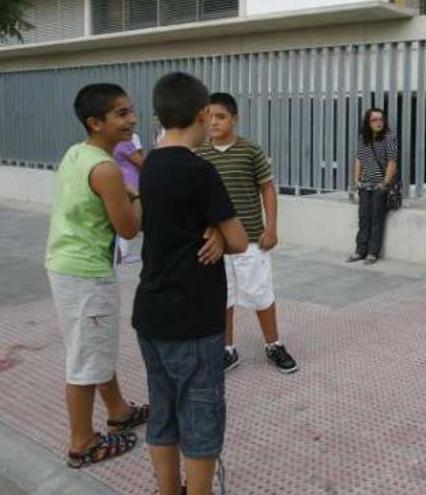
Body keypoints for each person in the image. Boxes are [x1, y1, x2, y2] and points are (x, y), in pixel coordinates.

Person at [134, 73, 248, 495]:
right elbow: (238, 239)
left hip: (151, 314)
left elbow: (171, 222)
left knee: (162, 412)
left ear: (160, 114)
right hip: (194, 319)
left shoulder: (150, 166)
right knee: (201, 417)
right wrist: (219, 233)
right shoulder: (200, 171)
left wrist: (211, 230)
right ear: (202, 114)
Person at [45, 83, 148, 469]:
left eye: (131, 111)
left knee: (94, 345)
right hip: (86, 273)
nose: (132, 120)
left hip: (65, 264)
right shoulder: (105, 169)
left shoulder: (79, 153)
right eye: (121, 114)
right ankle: (82, 443)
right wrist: (136, 196)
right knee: (85, 360)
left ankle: (119, 410)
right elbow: (128, 229)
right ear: (95, 122)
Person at [196, 92, 298, 374]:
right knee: (221, 298)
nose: (214, 123)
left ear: (234, 119)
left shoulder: (250, 150)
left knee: (260, 293)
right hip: (214, 244)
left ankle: (274, 344)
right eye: (209, 117)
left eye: (221, 117)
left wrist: (272, 228)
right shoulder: (199, 154)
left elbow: (267, 188)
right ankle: (227, 349)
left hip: (251, 238)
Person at [346, 108, 399, 265]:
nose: (378, 123)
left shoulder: (389, 137)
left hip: (380, 186)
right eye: (374, 120)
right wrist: (357, 181)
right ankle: (360, 250)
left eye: (381, 119)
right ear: (368, 123)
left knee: (377, 219)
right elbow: (359, 159)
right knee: (363, 218)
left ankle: (372, 252)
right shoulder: (364, 138)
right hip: (365, 184)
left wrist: (385, 184)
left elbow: (392, 161)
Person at [113, 133, 145, 264]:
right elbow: (141, 162)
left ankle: (121, 251)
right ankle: (124, 253)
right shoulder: (125, 144)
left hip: (122, 181)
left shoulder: (112, 143)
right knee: (131, 217)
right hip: (131, 183)